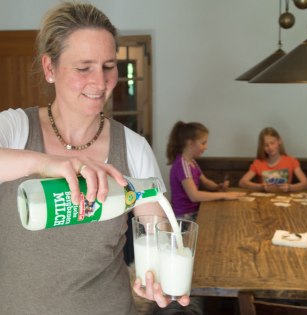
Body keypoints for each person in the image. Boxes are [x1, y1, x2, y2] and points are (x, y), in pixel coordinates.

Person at [0, 2, 190, 315]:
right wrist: (45, 163)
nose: (100, 82)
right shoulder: (16, 128)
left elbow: (155, 234)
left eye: (108, 66)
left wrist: (154, 274)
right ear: (50, 69)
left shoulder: (133, 147)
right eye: (83, 67)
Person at [166, 121, 245, 220]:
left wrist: (217, 186)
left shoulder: (192, 162)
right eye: (203, 143)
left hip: (194, 212)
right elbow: (194, 196)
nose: (206, 147)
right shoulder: (182, 165)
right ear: (190, 143)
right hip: (184, 217)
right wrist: (223, 195)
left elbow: (206, 182)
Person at [239, 127, 307, 192]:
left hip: (286, 201)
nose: (270, 147)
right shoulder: (258, 163)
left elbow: (306, 184)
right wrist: (261, 187)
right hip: (264, 201)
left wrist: (289, 187)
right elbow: (242, 183)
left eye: (272, 143)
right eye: (266, 145)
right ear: (262, 147)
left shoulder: (291, 161)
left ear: (279, 141)